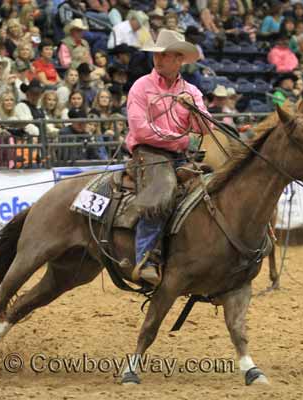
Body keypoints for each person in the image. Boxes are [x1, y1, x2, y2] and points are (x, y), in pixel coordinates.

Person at [125, 29, 210, 286]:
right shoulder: (141, 86)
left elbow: (206, 128)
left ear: (179, 59)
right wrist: (181, 139)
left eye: (164, 55)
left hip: (179, 155)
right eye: (156, 55)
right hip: (148, 152)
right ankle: (146, 258)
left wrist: (192, 110)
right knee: (163, 189)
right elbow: (140, 130)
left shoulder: (192, 91)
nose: (158, 60)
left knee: (212, 189)